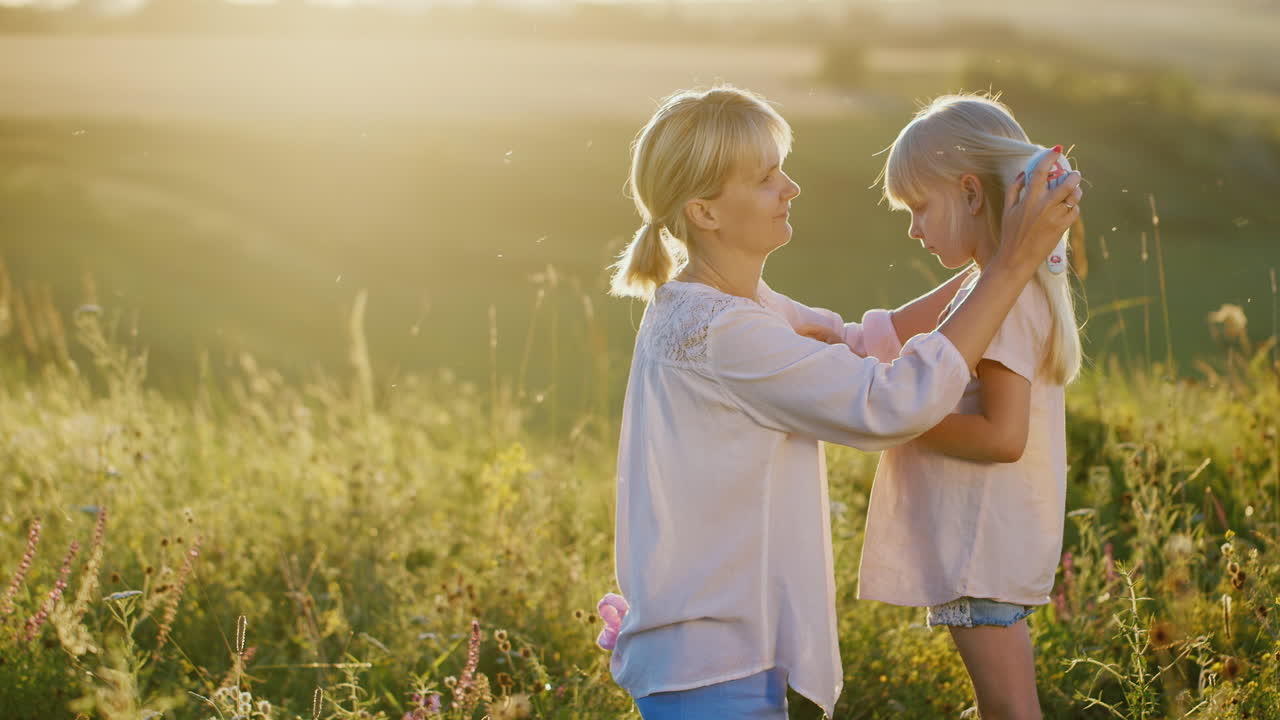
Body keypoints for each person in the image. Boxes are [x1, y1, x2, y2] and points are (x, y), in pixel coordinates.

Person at [601, 85, 1081, 719]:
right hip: (711, 665)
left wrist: (1002, 254)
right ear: (706, 213)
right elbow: (889, 403)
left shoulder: (738, 310)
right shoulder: (727, 332)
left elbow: (857, 343)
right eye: (767, 177)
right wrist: (1007, 266)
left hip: (717, 655)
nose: (791, 187)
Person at [856, 94, 1084, 720]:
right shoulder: (987, 285)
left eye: (920, 208)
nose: (914, 229)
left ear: (971, 194)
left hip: (980, 549)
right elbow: (895, 330)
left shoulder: (1002, 301)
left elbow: (1003, 435)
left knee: (1011, 710)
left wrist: (899, 419)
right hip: (980, 544)